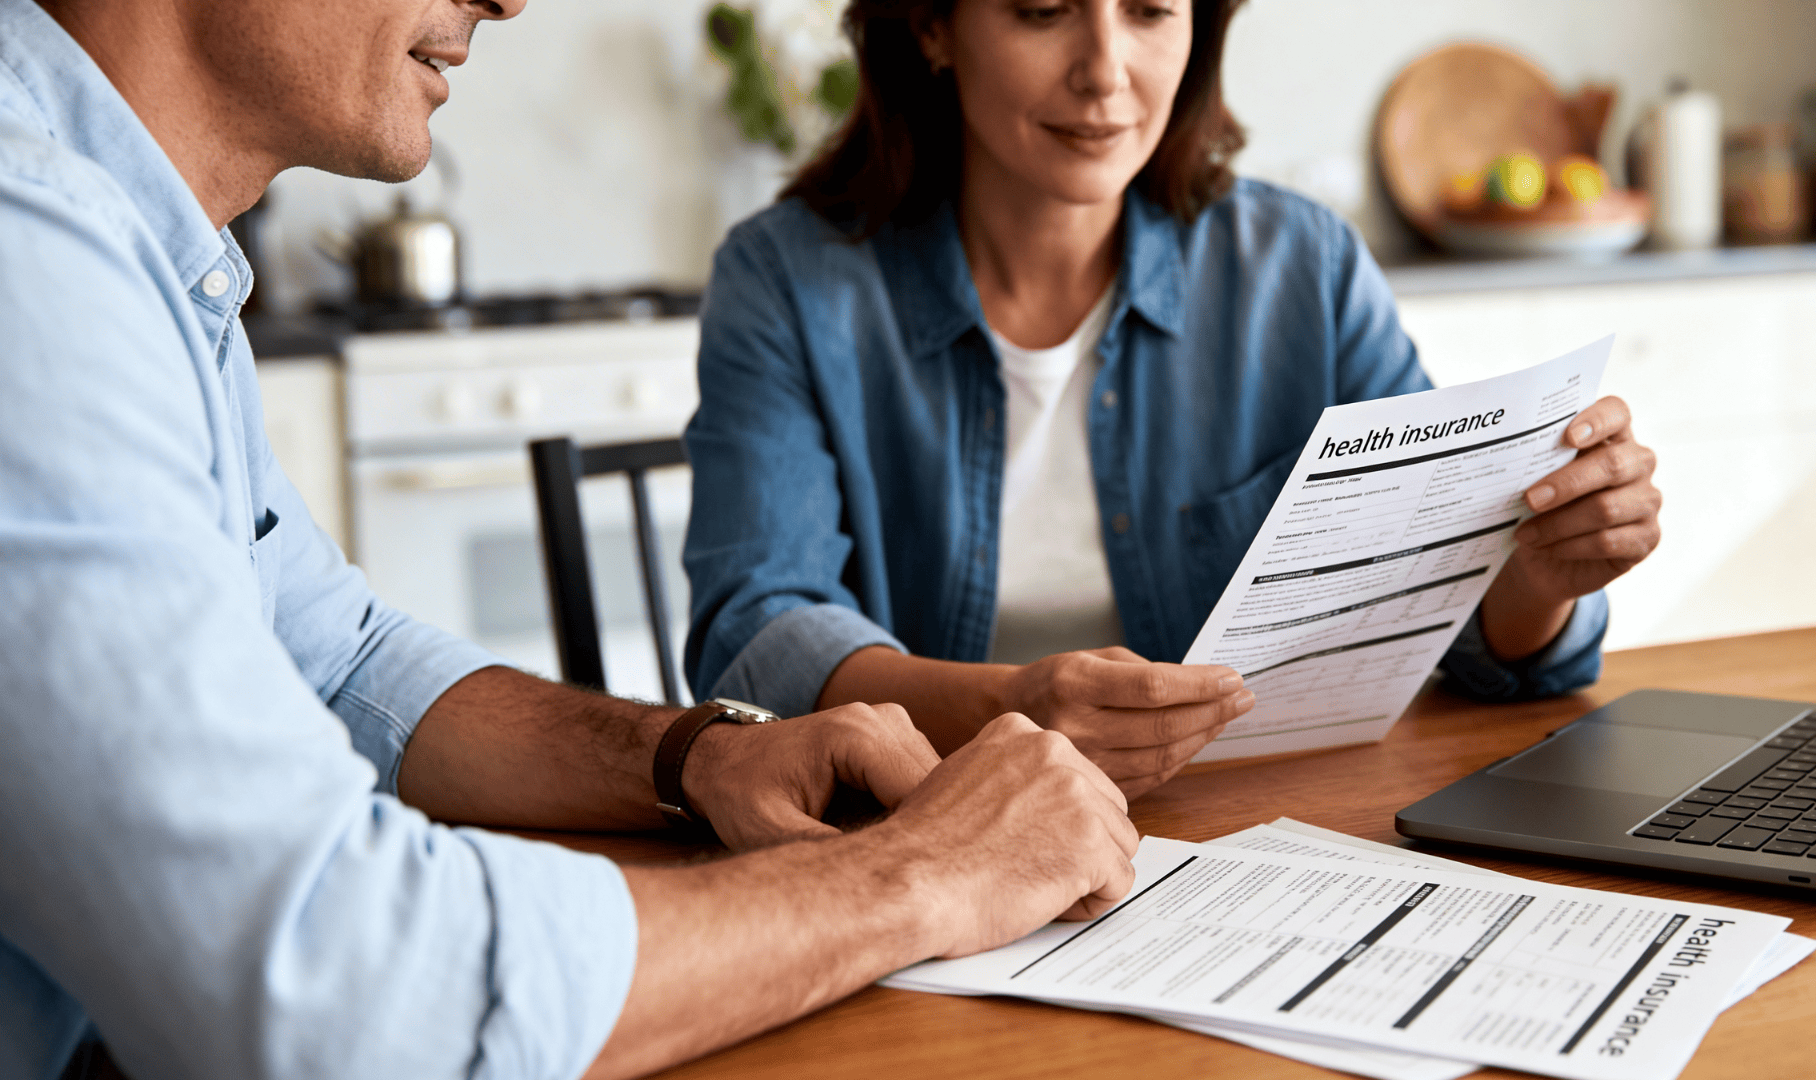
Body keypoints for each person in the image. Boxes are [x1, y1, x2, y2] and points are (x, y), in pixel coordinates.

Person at [0, 1, 1142, 1077]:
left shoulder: (139, 247)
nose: (507, 1)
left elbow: (341, 660)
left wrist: (697, 756)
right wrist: (921, 874)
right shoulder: (27, 248)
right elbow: (342, 993)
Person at [683, 0, 1664, 800]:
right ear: (933, 27)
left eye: (1152, 8)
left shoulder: (1302, 268)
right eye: (1042, 10)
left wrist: (1542, 570)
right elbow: (756, 633)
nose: (1106, 69)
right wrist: (1005, 707)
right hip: (925, 848)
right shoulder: (785, 282)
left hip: (1247, 838)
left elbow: (1451, 609)